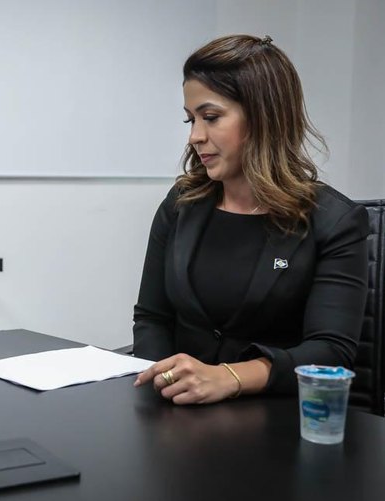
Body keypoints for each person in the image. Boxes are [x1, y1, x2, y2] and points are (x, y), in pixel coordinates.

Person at [132, 35, 369, 404]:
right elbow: (152, 317)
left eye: (210, 117)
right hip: (178, 417)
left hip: (276, 424)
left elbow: (331, 352)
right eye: (191, 119)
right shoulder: (181, 204)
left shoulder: (334, 221)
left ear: (264, 117)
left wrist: (228, 377)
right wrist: (167, 381)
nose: (195, 136)